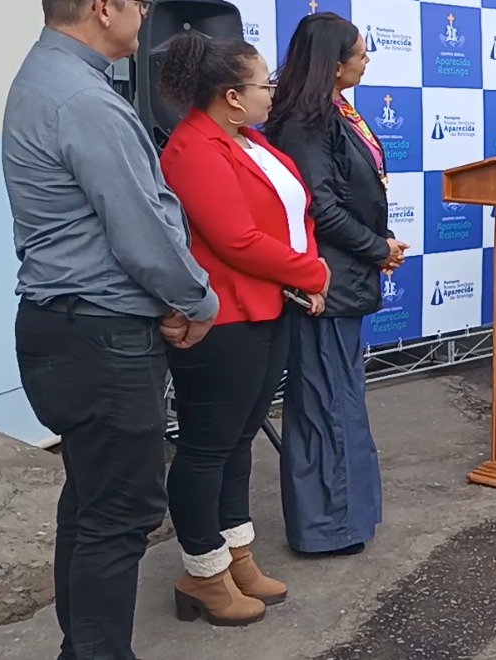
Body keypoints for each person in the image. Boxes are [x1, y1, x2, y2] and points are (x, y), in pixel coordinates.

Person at [2, 0, 219, 660]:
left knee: (92, 504)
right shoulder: (83, 99)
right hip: (100, 337)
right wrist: (197, 299)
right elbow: (140, 228)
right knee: (119, 515)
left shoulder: (50, 78)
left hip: (66, 328)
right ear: (104, 6)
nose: (144, 14)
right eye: (139, 0)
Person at [157, 32, 329, 624]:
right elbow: (235, 239)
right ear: (232, 96)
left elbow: (291, 216)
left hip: (268, 307)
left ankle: (236, 556)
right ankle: (202, 572)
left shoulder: (249, 140)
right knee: (207, 447)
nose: (271, 93)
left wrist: (301, 275)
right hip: (224, 321)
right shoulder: (193, 149)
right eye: (264, 84)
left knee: (239, 440)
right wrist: (311, 272)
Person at [266, 13, 405, 556]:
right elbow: (320, 209)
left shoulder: (335, 112)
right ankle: (327, 527)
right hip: (323, 284)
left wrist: (379, 242)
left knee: (340, 399)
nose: (367, 61)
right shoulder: (305, 122)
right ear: (334, 62)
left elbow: (352, 192)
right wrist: (376, 247)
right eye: (360, 53)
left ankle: (346, 518)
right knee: (325, 403)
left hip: (346, 276)